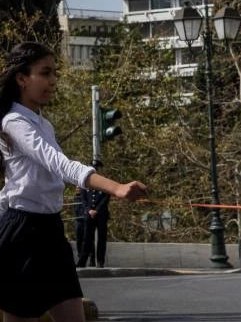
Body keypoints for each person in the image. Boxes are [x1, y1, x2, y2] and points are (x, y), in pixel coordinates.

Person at [0, 41, 147, 321]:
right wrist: (116, 187)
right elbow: (60, 165)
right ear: (21, 78)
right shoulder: (13, 122)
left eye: (55, 73)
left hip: (51, 232)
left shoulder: (43, 124)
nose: (53, 80)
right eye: (45, 73)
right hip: (23, 236)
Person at [76, 160, 111, 269]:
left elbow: (105, 198)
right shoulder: (85, 182)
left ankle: (100, 261)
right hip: (89, 214)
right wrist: (89, 210)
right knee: (87, 238)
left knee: (101, 239)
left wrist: (97, 210)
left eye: (96, 168)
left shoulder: (105, 182)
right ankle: (83, 260)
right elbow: (83, 198)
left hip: (101, 215)